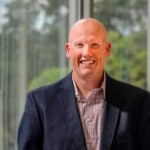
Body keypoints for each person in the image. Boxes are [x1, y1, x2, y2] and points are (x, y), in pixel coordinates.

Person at [18, 18, 150, 150]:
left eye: (95, 45)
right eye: (80, 45)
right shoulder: (40, 103)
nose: (87, 53)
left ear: (107, 49)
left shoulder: (139, 102)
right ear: (68, 50)